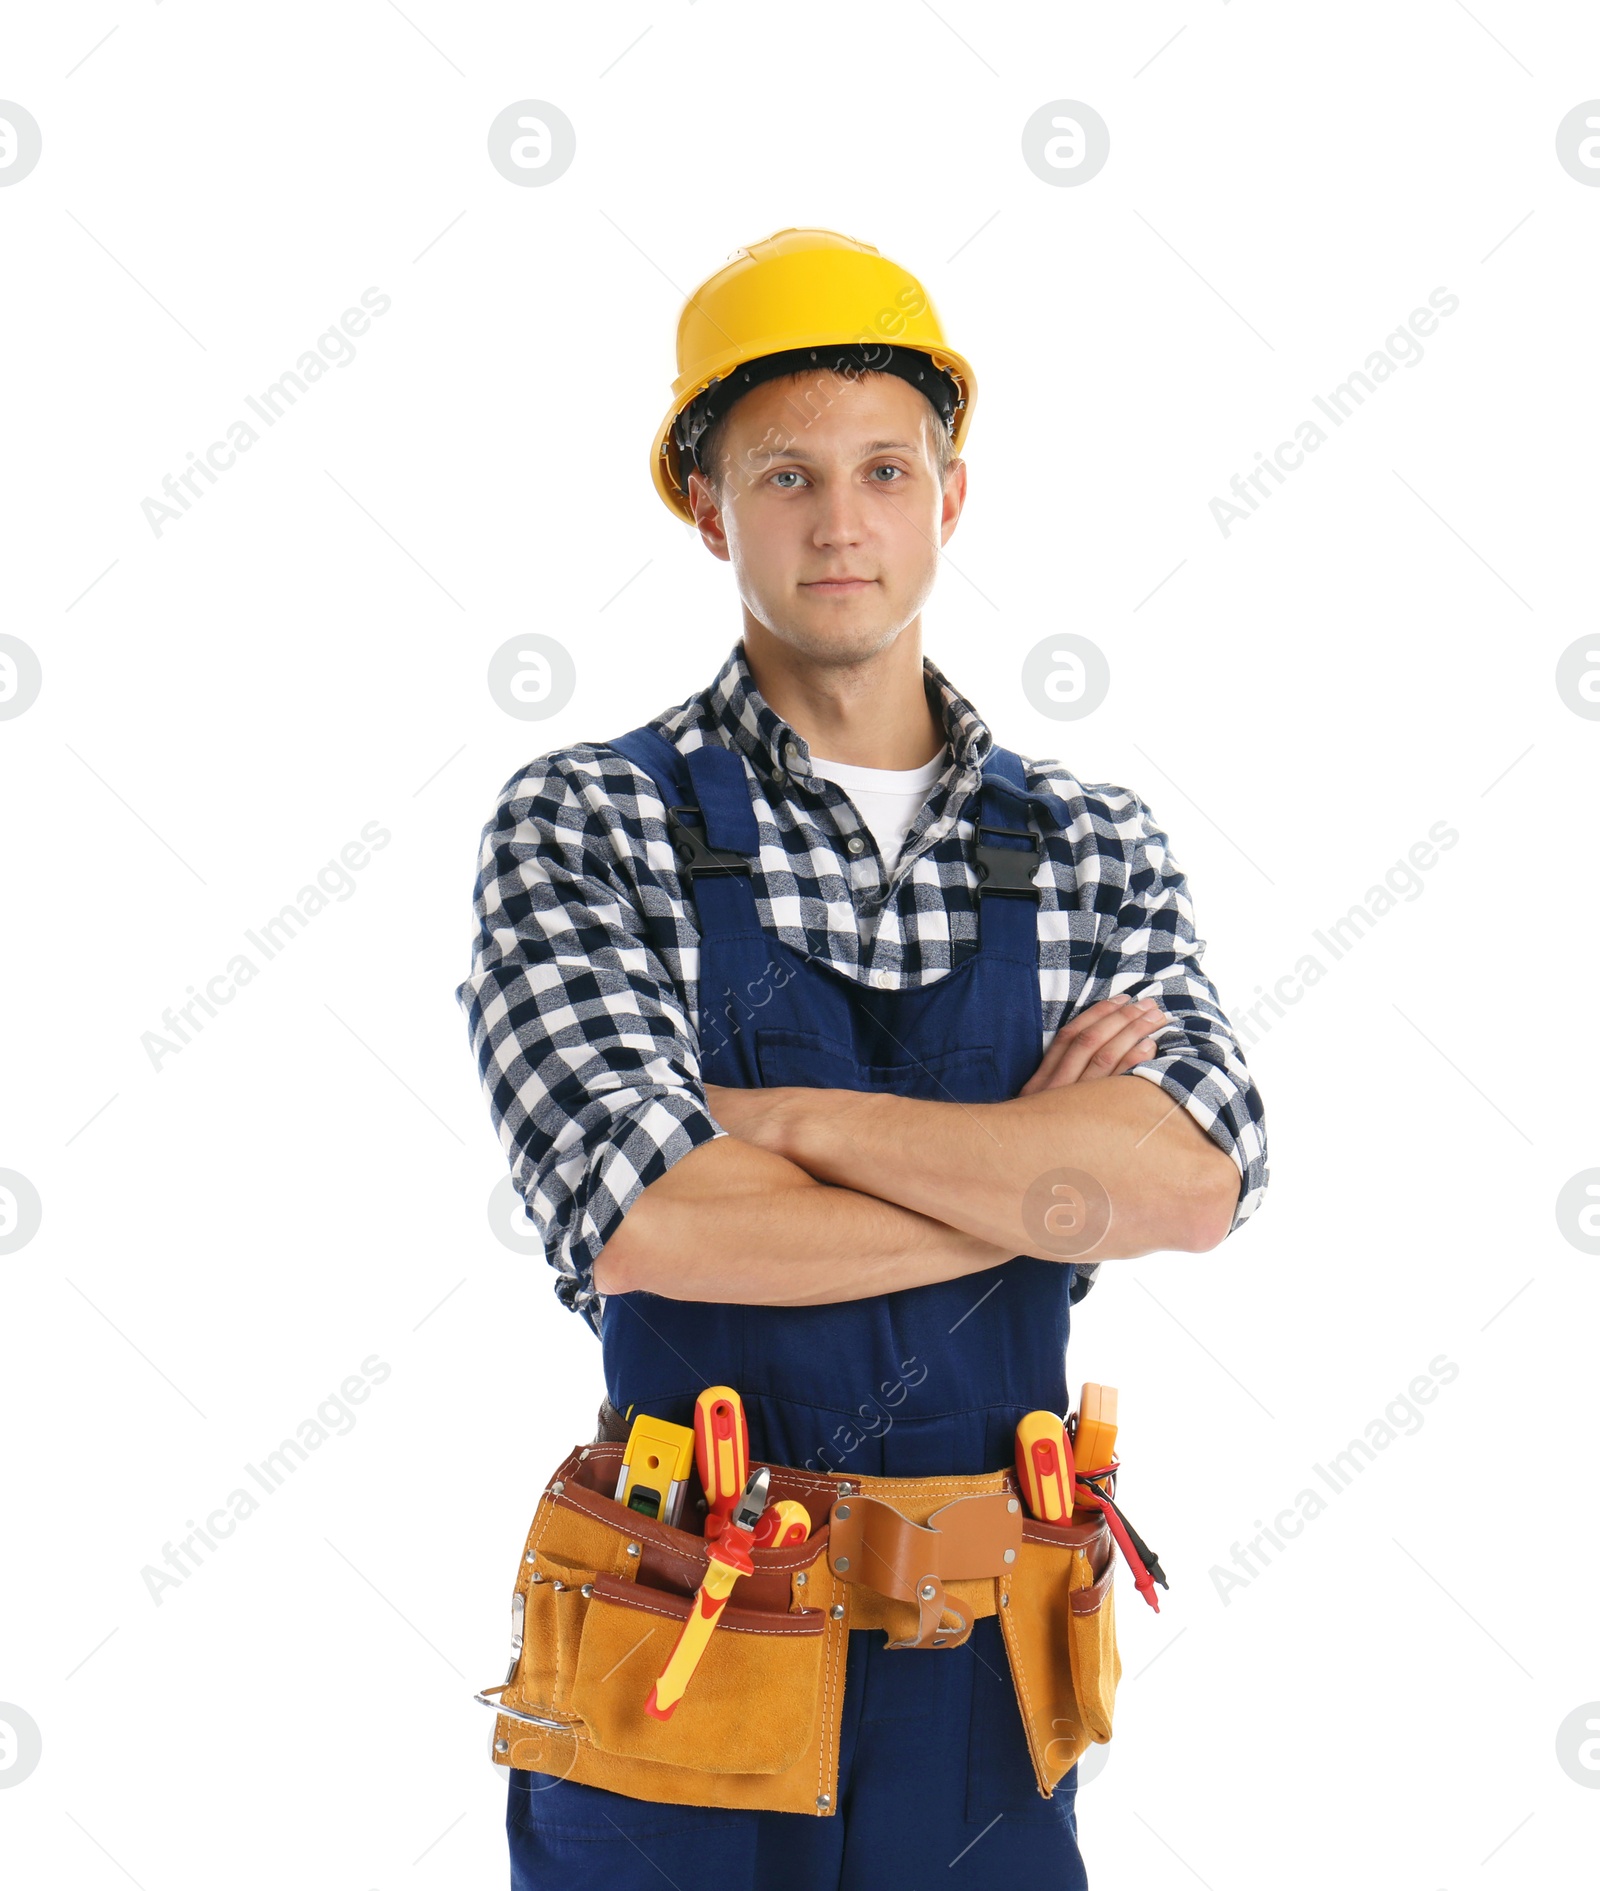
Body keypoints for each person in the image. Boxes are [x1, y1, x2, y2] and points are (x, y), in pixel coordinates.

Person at [457, 227, 1269, 1890]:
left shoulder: (1092, 847)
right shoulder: (588, 822)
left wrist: (800, 1122)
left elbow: (1190, 1184)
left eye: (886, 470)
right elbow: (653, 1221)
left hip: (992, 1695)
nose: (843, 523)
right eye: (787, 476)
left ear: (950, 496)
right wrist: (1042, 1184)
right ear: (710, 508)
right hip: (681, 1670)